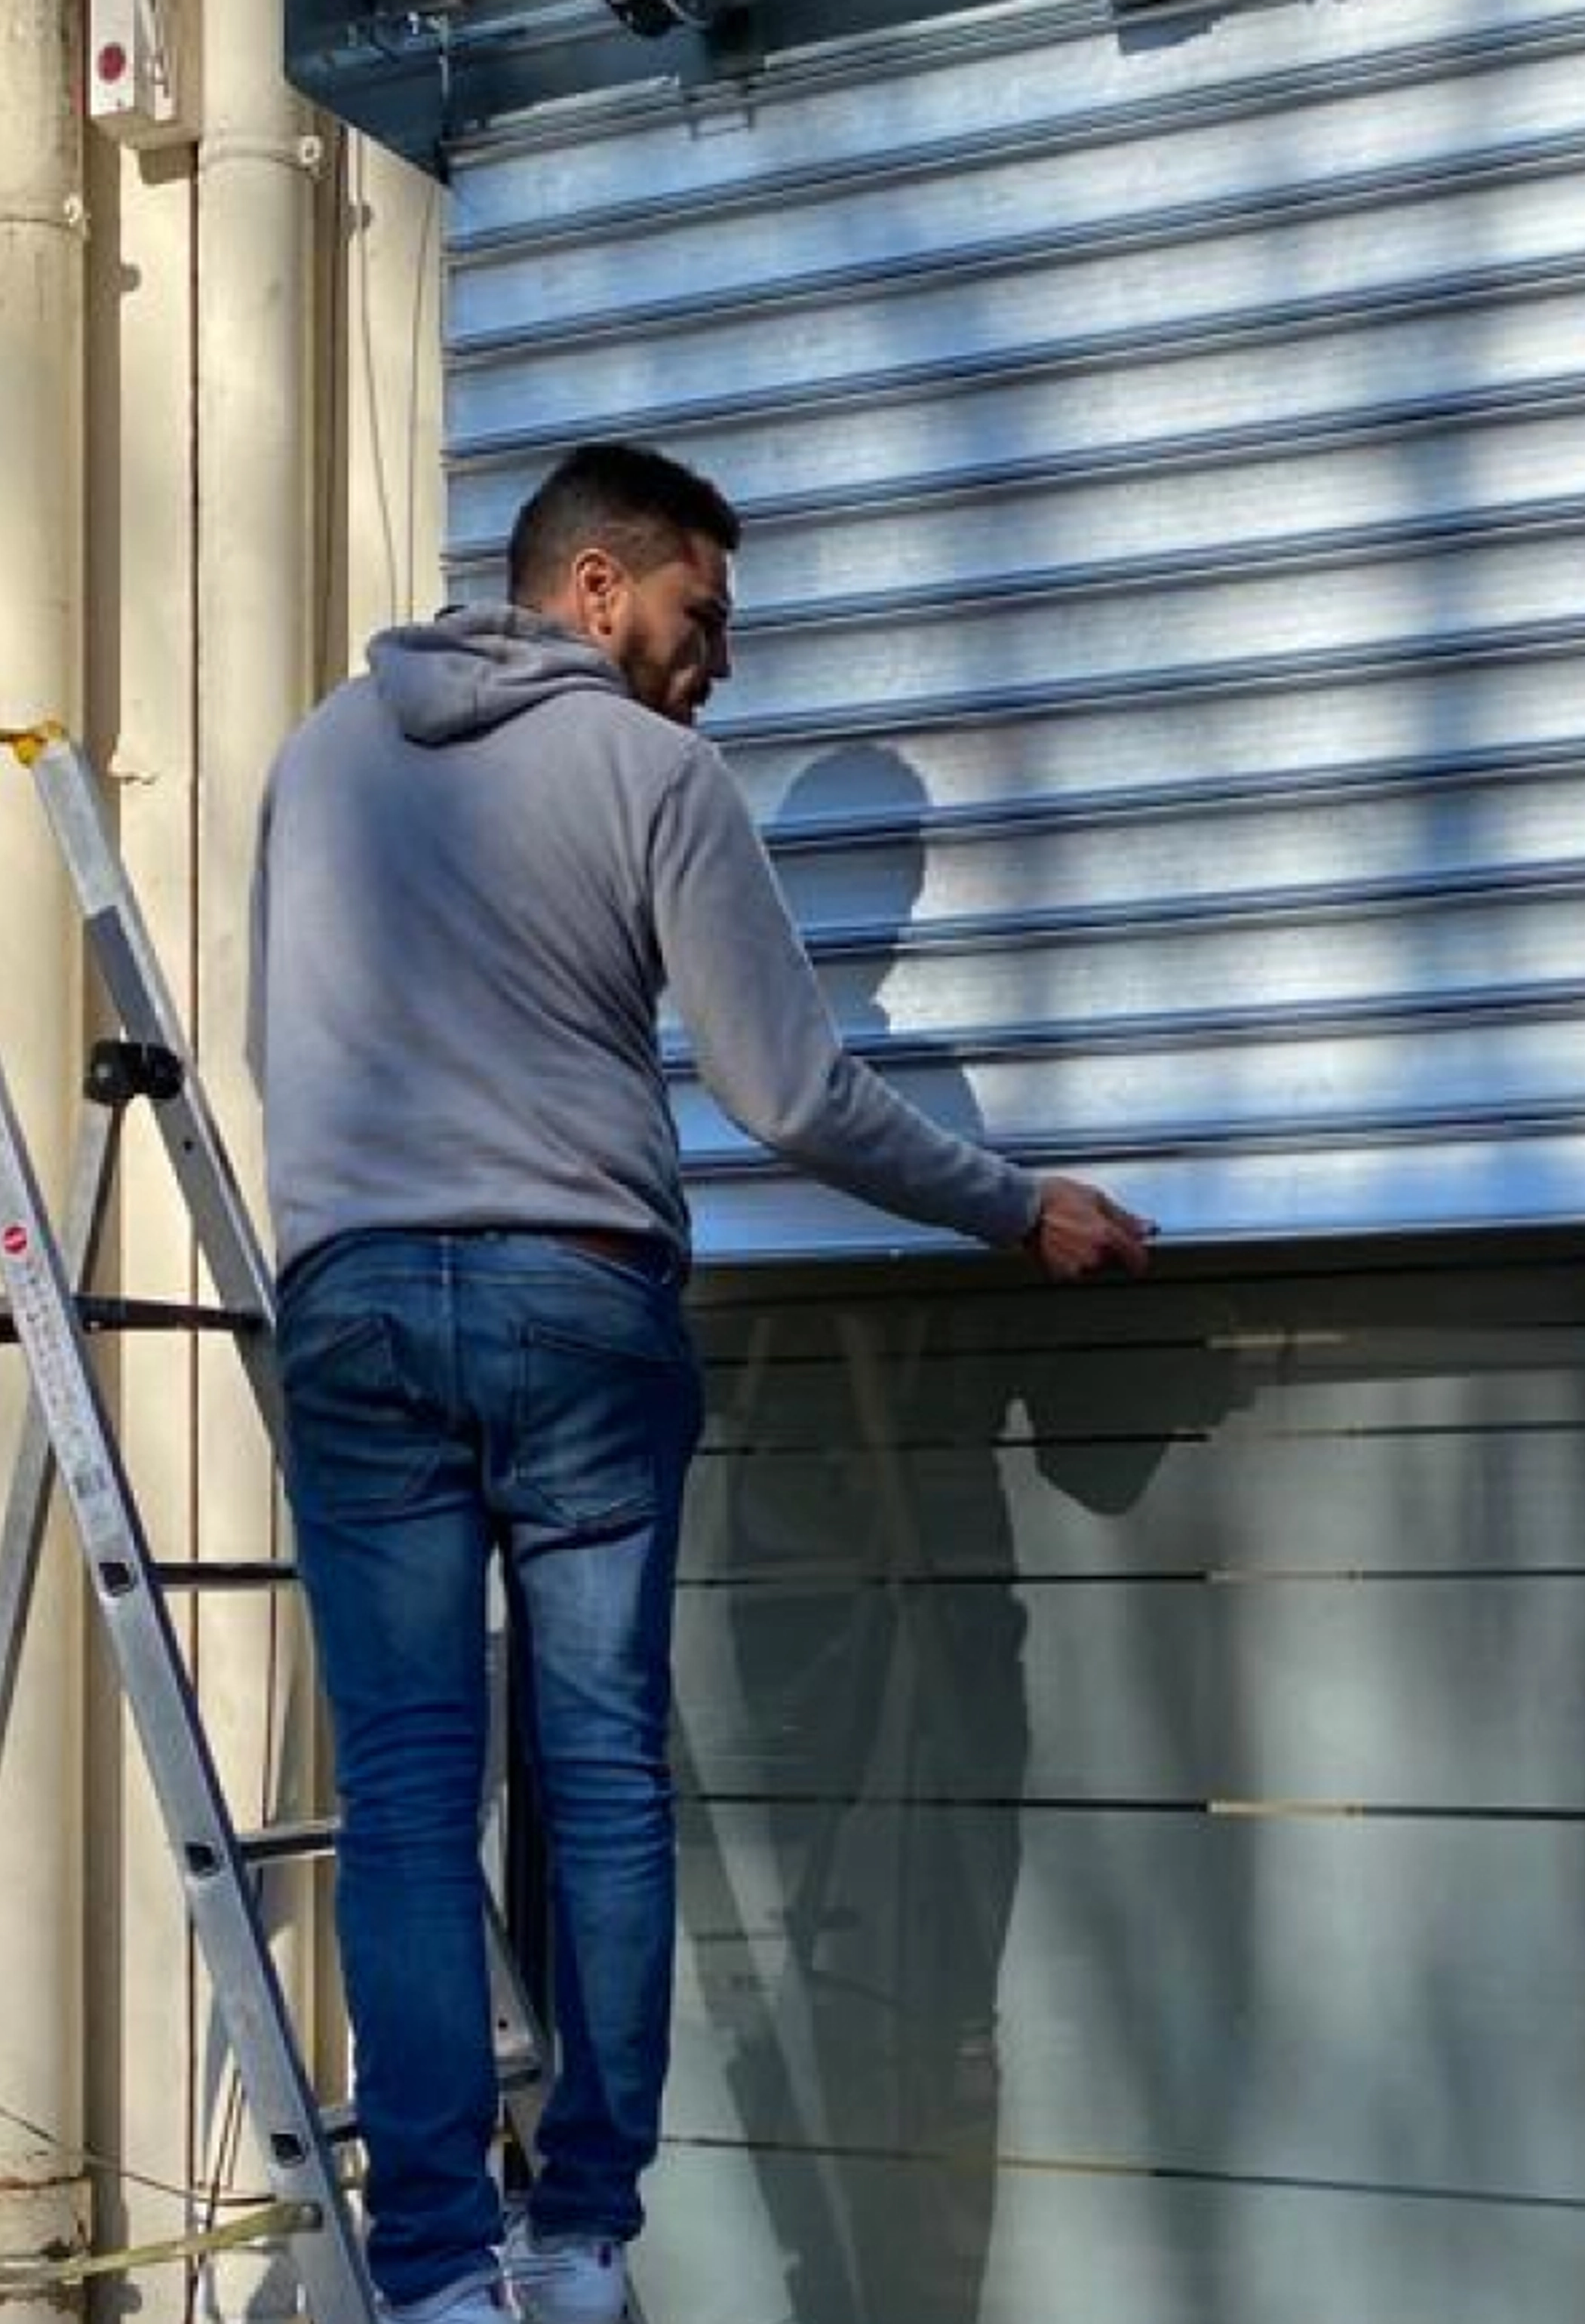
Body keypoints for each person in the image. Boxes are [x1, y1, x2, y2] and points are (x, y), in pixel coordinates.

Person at [250, 439, 1150, 2324]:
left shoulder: (317, 761)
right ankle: (576, 2238)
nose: (716, 660)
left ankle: (427, 2270)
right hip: (571, 1305)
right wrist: (1016, 1210)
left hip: (349, 1308)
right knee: (593, 1778)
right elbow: (791, 1094)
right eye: (703, 614)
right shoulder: (658, 775)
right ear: (598, 588)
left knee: (408, 1799)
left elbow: (282, 1052)